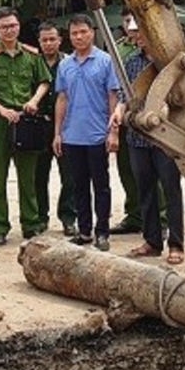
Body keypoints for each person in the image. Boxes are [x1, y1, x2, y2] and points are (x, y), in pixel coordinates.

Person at [116, 19, 185, 264]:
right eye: (134, 33)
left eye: (140, 32)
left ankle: (176, 243)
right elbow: (125, 94)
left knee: (171, 189)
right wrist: (119, 111)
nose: (136, 37)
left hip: (166, 138)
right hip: (138, 136)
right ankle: (152, 240)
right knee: (145, 189)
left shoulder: (169, 63)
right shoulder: (131, 62)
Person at [0, 7, 51, 245]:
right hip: (0, 122)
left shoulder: (32, 55)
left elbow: (44, 81)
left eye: (12, 25)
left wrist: (33, 101)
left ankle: (30, 223)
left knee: (27, 176)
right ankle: (0, 226)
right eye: (4, 27)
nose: (9, 30)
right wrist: (0, 109)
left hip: (25, 120)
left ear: (19, 26)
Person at [53, 14, 120, 251]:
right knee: (78, 186)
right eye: (74, 33)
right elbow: (62, 98)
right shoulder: (65, 64)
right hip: (72, 135)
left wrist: (113, 132)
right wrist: (57, 133)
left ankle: (102, 232)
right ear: (69, 37)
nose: (79, 37)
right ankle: (84, 231)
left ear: (92, 32)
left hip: (97, 135)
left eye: (83, 32)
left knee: (101, 185)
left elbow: (113, 96)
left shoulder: (105, 61)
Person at [35, 21, 77, 237]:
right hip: (39, 125)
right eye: (44, 40)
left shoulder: (70, 63)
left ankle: (68, 218)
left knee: (69, 175)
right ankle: (40, 218)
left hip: (66, 126)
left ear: (60, 40)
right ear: (39, 42)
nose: (49, 43)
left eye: (52, 39)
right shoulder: (33, 63)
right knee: (38, 175)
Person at [108, 8, 142, 235]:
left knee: (150, 170)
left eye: (134, 20)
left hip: (147, 115)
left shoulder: (152, 48)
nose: (131, 26)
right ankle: (135, 215)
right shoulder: (117, 49)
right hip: (122, 114)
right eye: (127, 21)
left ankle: (160, 217)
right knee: (126, 168)